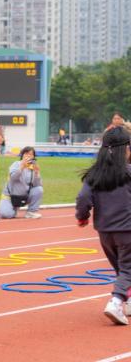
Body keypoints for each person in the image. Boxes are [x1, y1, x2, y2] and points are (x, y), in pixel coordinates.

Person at [76, 127, 131, 325]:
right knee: (128, 269)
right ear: (125, 149)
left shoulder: (95, 174)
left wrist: (82, 217)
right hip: (127, 229)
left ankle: (128, 301)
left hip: (105, 232)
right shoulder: (129, 173)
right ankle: (116, 302)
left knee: (122, 268)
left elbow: (83, 197)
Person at [0, 146, 44, 219]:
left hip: (24, 196)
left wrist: (37, 173)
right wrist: (22, 167)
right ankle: (14, 208)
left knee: (39, 189)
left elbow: (37, 185)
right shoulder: (16, 164)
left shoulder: (33, 168)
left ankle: (31, 212)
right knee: (6, 215)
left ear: (33, 157)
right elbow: (13, 178)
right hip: (10, 196)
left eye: (31, 154)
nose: (28, 156)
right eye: (26, 153)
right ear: (22, 155)